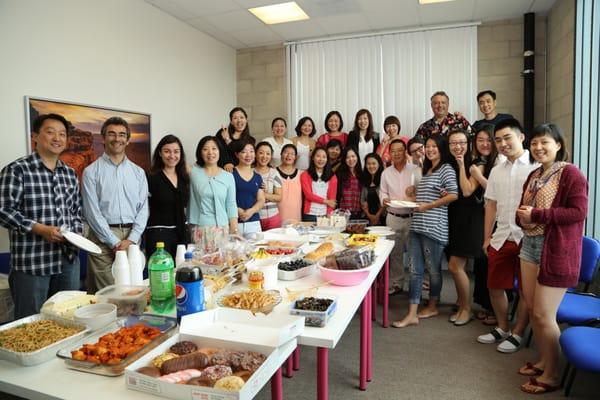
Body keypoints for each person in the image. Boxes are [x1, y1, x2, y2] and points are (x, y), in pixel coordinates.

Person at [516, 124, 588, 394]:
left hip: (555, 248)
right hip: (530, 244)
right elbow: (525, 207)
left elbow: (578, 213)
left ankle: (552, 374)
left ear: (558, 144)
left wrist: (536, 215)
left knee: (545, 315)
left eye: (544, 142)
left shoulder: (571, 173)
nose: (538, 148)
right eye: (534, 143)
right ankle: (544, 360)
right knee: (534, 310)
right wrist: (522, 215)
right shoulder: (535, 174)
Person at [0, 114, 82, 318]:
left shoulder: (69, 173)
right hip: (33, 262)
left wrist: (76, 235)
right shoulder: (17, 170)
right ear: (35, 136)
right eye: (50, 132)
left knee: (68, 320)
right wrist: (39, 229)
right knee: (31, 325)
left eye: (62, 134)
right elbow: (3, 210)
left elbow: (76, 213)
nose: (57, 138)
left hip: (67, 260)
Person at [476, 118, 538, 353]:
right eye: (498, 140)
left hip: (528, 238)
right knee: (494, 285)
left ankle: (518, 332)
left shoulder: (535, 166)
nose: (502, 143)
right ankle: (502, 327)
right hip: (501, 236)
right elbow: (490, 205)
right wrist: (486, 237)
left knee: (525, 290)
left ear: (521, 137)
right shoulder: (496, 170)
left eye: (507, 138)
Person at [392, 135, 458, 328]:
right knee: (414, 270)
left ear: (441, 149)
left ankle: (432, 304)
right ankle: (412, 313)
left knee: (434, 271)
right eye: (427, 146)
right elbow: (423, 198)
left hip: (434, 228)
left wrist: (428, 205)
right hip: (417, 226)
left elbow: (454, 194)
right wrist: (414, 193)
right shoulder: (426, 170)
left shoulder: (446, 169)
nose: (430, 149)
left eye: (434, 146)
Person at [82, 116, 148, 293]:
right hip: (102, 238)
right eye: (111, 134)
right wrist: (113, 242)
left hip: (131, 237)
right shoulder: (91, 172)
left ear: (127, 139)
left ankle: (133, 322)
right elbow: (91, 212)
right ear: (103, 138)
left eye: (121, 134)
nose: (117, 139)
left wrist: (132, 239)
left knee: (132, 291)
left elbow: (143, 209)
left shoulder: (138, 173)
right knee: (109, 294)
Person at [446, 129, 484, 326]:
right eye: (453, 143)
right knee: (455, 266)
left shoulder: (478, 164)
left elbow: (467, 190)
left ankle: (467, 309)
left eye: (461, 142)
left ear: (468, 143)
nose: (457, 146)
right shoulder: (448, 163)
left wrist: (462, 165)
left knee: (455, 265)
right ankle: (461, 303)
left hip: (470, 219)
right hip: (454, 217)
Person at [380, 139, 422, 295]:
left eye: (400, 150)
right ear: (389, 154)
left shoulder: (415, 170)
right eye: (393, 151)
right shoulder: (386, 173)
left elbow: (422, 191)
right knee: (395, 252)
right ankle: (397, 283)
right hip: (393, 216)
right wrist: (383, 199)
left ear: (405, 152)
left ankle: (415, 285)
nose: (396, 154)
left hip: (413, 217)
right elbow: (383, 191)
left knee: (414, 253)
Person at [469, 124, 500, 325]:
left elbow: (496, 191)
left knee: (492, 263)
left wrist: (478, 175)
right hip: (482, 217)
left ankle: (496, 311)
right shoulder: (480, 160)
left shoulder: (499, 162)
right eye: (480, 140)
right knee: (481, 262)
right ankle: (485, 304)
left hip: (497, 220)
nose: (484, 144)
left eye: (488, 140)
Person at [144, 135, 190, 259]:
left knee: (182, 272)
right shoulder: (151, 177)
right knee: (162, 275)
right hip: (158, 235)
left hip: (182, 234)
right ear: (160, 153)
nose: (172, 156)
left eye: (176, 151)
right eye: (167, 151)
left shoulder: (184, 177)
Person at [188, 136, 238, 233]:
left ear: (220, 151)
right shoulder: (192, 172)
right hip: (199, 229)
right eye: (205, 149)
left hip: (223, 228)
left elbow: (231, 204)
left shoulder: (228, 176)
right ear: (200, 153)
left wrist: (234, 230)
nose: (210, 152)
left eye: (214, 148)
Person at [232, 140, 265, 237]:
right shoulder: (230, 174)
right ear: (237, 154)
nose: (248, 155)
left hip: (253, 223)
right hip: (234, 223)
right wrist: (238, 210)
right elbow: (225, 199)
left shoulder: (257, 177)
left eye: (251, 151)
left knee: (255, 251)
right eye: (243, 152)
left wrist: (250, 211)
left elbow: (261, 200)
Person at [300, 147, 337, 222]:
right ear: (313, 158)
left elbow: (332, 200)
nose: (321, 159)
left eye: (324, 157)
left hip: (325, 215)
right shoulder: (305, 175)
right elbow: (308, 195)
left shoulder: (332, 177)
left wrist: (329, 214)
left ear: (327, 160)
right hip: (310, 214)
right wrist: (327, 201)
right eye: (318, 156)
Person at [215, 107, 255, 172]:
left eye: (242, 117)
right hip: (221, 169)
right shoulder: (223, 132)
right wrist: (226, 162)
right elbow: (218, 149)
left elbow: (238, 149)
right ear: (231, 121)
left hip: (240, 171)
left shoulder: (250, 140)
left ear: (246, 120)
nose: (239, 120)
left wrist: (227, 140)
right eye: (235, 118)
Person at [255, 141, 282, 230]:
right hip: (254, 217)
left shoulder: (274, 173)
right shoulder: (250, 172)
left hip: (272, 217)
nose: (264, 156)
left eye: (268, 154)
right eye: (261, 153)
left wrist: (263, 194)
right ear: (255, 154)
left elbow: (279, 197)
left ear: (271, 156)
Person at [276, 144, 302, 223]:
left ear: (296, 157)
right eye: (286, 152)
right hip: (276, 215)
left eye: (292, 154)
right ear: (281, 154)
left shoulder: (301, 174)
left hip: (296, 216)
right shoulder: (273, 172)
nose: (289, 155)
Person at [336, 147, 363, 219]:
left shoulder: (361, 174)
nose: (351, 159)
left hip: (358, 213)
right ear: (344, 160)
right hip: (343, 214)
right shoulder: (339, 174)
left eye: (353, 156)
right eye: (347, 157)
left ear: (357, 157)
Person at [360, 153, 386, 226]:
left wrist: (377, 216)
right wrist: (369, 216)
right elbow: (362, 201)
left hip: (383, 217)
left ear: (379, 164)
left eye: (374, 163)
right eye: (368, 164)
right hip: (367, 218)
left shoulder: (384, 179)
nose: (371, 166)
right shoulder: (364, 180)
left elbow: (386, 202)